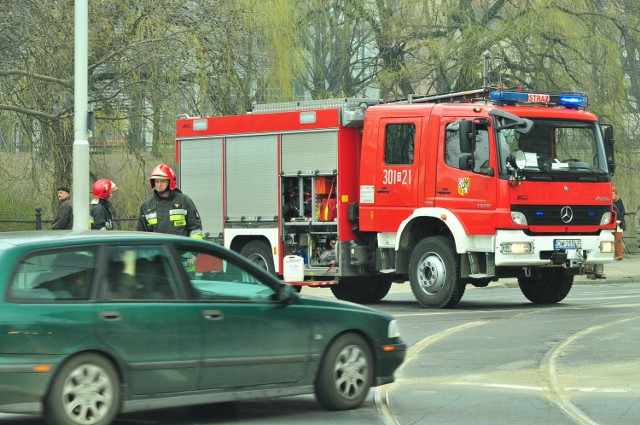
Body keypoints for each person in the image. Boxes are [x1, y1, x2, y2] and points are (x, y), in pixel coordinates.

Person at [136, 163, 203, 238]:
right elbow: (141, 234)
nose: (159, 185)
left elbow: (196, 230)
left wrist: (192, 249)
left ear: (170, 182)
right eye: (157, 181)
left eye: (162, 181)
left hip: (180, 248)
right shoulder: (147, 205)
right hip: (158, 249)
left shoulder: (184, 201)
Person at [612, 187, 626, 260]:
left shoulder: (619, 201)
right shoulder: (608, 202)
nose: (612, 195)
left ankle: (619, 255)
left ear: (616, 194)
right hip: (611, 223)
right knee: (612, 239)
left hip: (618, 223)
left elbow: (623, 212)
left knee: (618, 239)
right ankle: (614, 254)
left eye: (613, 194)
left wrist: (620, 220)